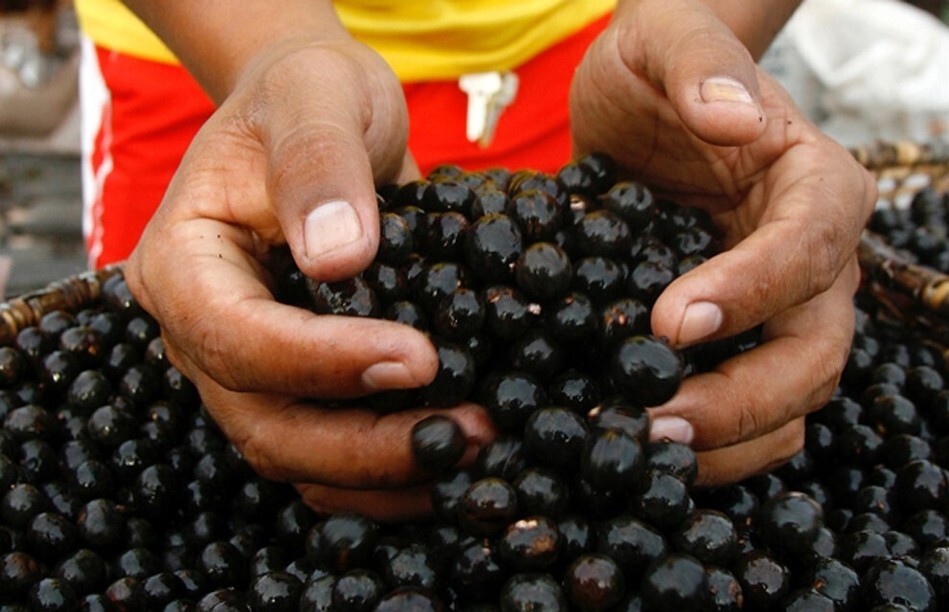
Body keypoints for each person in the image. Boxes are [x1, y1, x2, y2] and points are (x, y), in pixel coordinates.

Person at [73, 0, 876, 520]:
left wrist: (701, 31)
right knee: (213, 338)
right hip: (222, 45)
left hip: (605, 54)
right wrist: (273, 50)